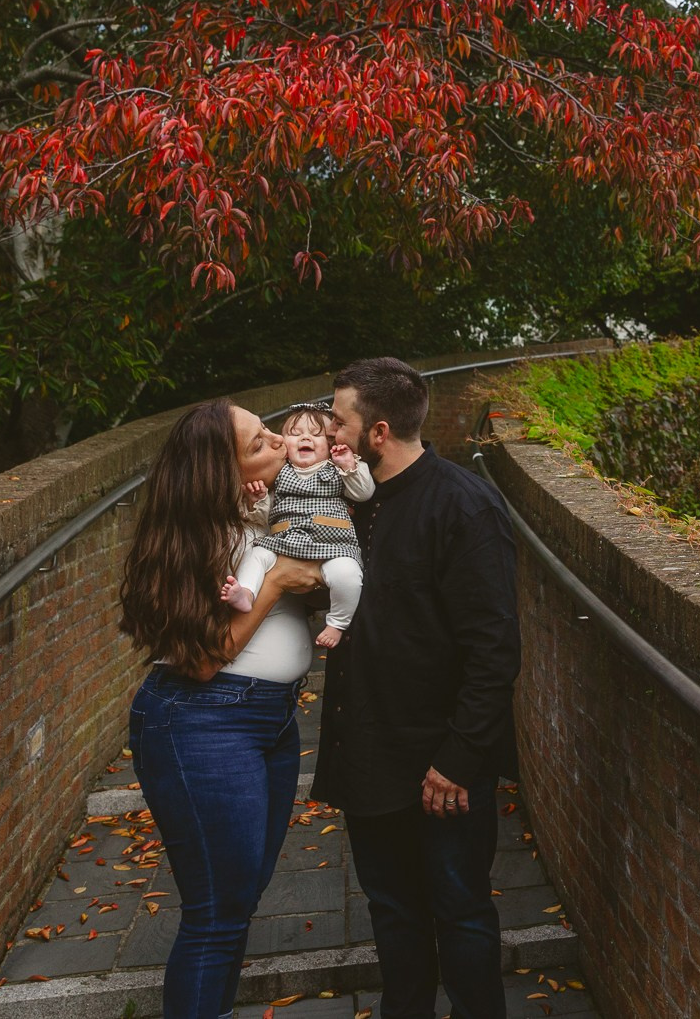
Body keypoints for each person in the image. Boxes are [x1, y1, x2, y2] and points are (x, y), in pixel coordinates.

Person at [318, 357, 521, 1019]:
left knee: (460, 914)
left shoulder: (464, 504)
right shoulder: (349, 501)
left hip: (443, 767)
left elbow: (495, 650)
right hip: (371, 756)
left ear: (378, 431)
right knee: (395, 916)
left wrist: (459, 758)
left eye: (339, 417)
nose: (329, 429)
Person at [119, 399, 326, 1019]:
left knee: (239, 899)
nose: (280, 444)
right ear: (218, 471)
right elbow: (206, 659)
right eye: (260, 442)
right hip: (204, 719)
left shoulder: (259, 523)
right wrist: (277, 586)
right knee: (216, 914)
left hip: (271, 720)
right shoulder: (192, 541)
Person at [227, 404, 372, 648]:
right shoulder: (280, 475)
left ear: (329, 444)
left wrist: (349, 466)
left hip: (333, 545)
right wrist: (258, 501)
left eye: (316, 435)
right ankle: (246, 592)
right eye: (294, 434)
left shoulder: (338, 468)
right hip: (286, 542)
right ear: (284, 444)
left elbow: (363, 493)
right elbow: (266, 520)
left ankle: (337, 623)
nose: (305, 438)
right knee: (256, 555)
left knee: (348, 574)